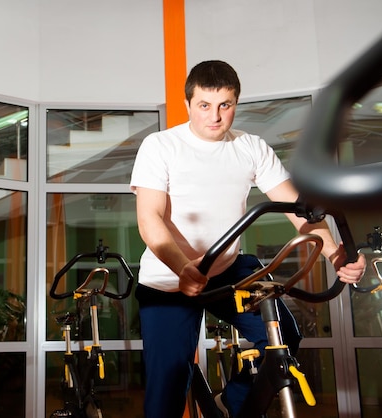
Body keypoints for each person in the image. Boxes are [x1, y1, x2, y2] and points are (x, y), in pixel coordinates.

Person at [129, 60, 366, 418]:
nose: (215, 116)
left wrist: (334, 253)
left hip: (225, 268)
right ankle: (179, 376)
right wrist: (182, 266)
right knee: (167, 388)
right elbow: (149, 219)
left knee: (283, 337)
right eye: (204, 105)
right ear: (188, 104)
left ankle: (231, 405)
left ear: (236, 103)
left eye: (225, 105)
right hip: (168, 279)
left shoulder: (250, 147)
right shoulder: (161, 146)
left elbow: (297, 209)